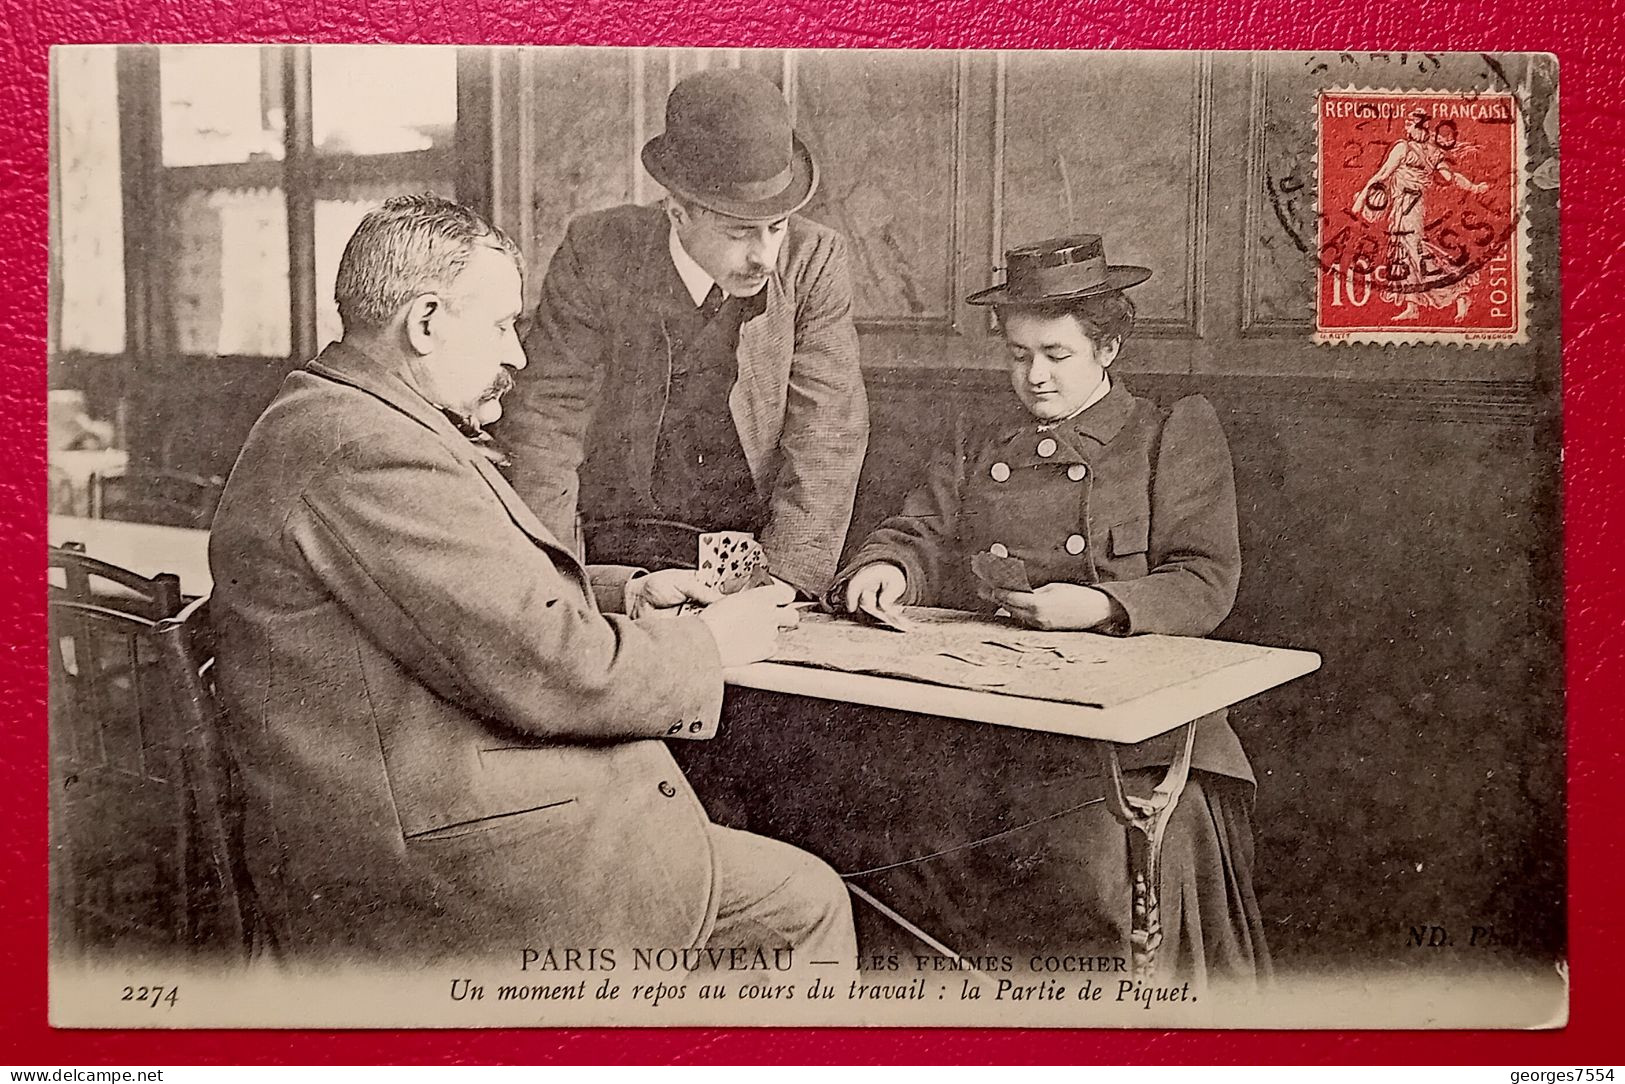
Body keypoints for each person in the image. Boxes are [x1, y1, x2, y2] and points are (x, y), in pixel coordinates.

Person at [208, 194, 857, 967]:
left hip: (428, 815)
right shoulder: (367, 450)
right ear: (424, 323)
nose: (516, 354)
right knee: (803, 906)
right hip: (438, 872)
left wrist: (624, 595)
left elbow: (470, 607)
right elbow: (550, 667)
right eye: (498, 326)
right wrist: (707, 646)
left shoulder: (353, 418)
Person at [834, 235, 1269, 987]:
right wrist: (885, 565)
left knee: (1082, 866)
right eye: (1016, 354)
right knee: (891, 840)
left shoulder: (1169, 433)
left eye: (1055, 355)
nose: (1032, 376)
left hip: (1128, 737)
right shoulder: (978, 435)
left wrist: (1101, 604)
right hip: (989, 719)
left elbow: (1204, 579)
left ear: (1107, 348)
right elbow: (922, 528)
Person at [500, 67, 868, 597]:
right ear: (677, 211)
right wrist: (558, 586)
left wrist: (782, 586)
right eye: (740, 231)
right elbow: (544, 422)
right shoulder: (597, 252)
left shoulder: (814, 260)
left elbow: (827, 433)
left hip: (759, 557)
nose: (764, 255)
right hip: (621, 561)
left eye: (777, 226)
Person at [1352, 109, 1491, 322]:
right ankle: (1414, 305)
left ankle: (1459, 293)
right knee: (1404, 253)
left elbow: (1383, 175)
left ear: (1419, 126)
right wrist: (1473, 187)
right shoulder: (1427, 151)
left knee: (1412, 251)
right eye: (1407, 123)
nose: (1407, 127)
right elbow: (1449, 176)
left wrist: (1361, 200)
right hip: (1402, 207)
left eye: (1410, 123)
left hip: (1411, 208)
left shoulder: (1406, 148)